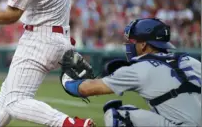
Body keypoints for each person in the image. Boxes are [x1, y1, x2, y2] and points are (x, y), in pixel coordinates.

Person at [60, 18, 201, 127]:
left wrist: (66, 81)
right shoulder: (192, 61)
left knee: (116, 114)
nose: (129, 45)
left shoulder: (140, 68)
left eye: (133, 41)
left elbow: (87, 89)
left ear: (144, 44)